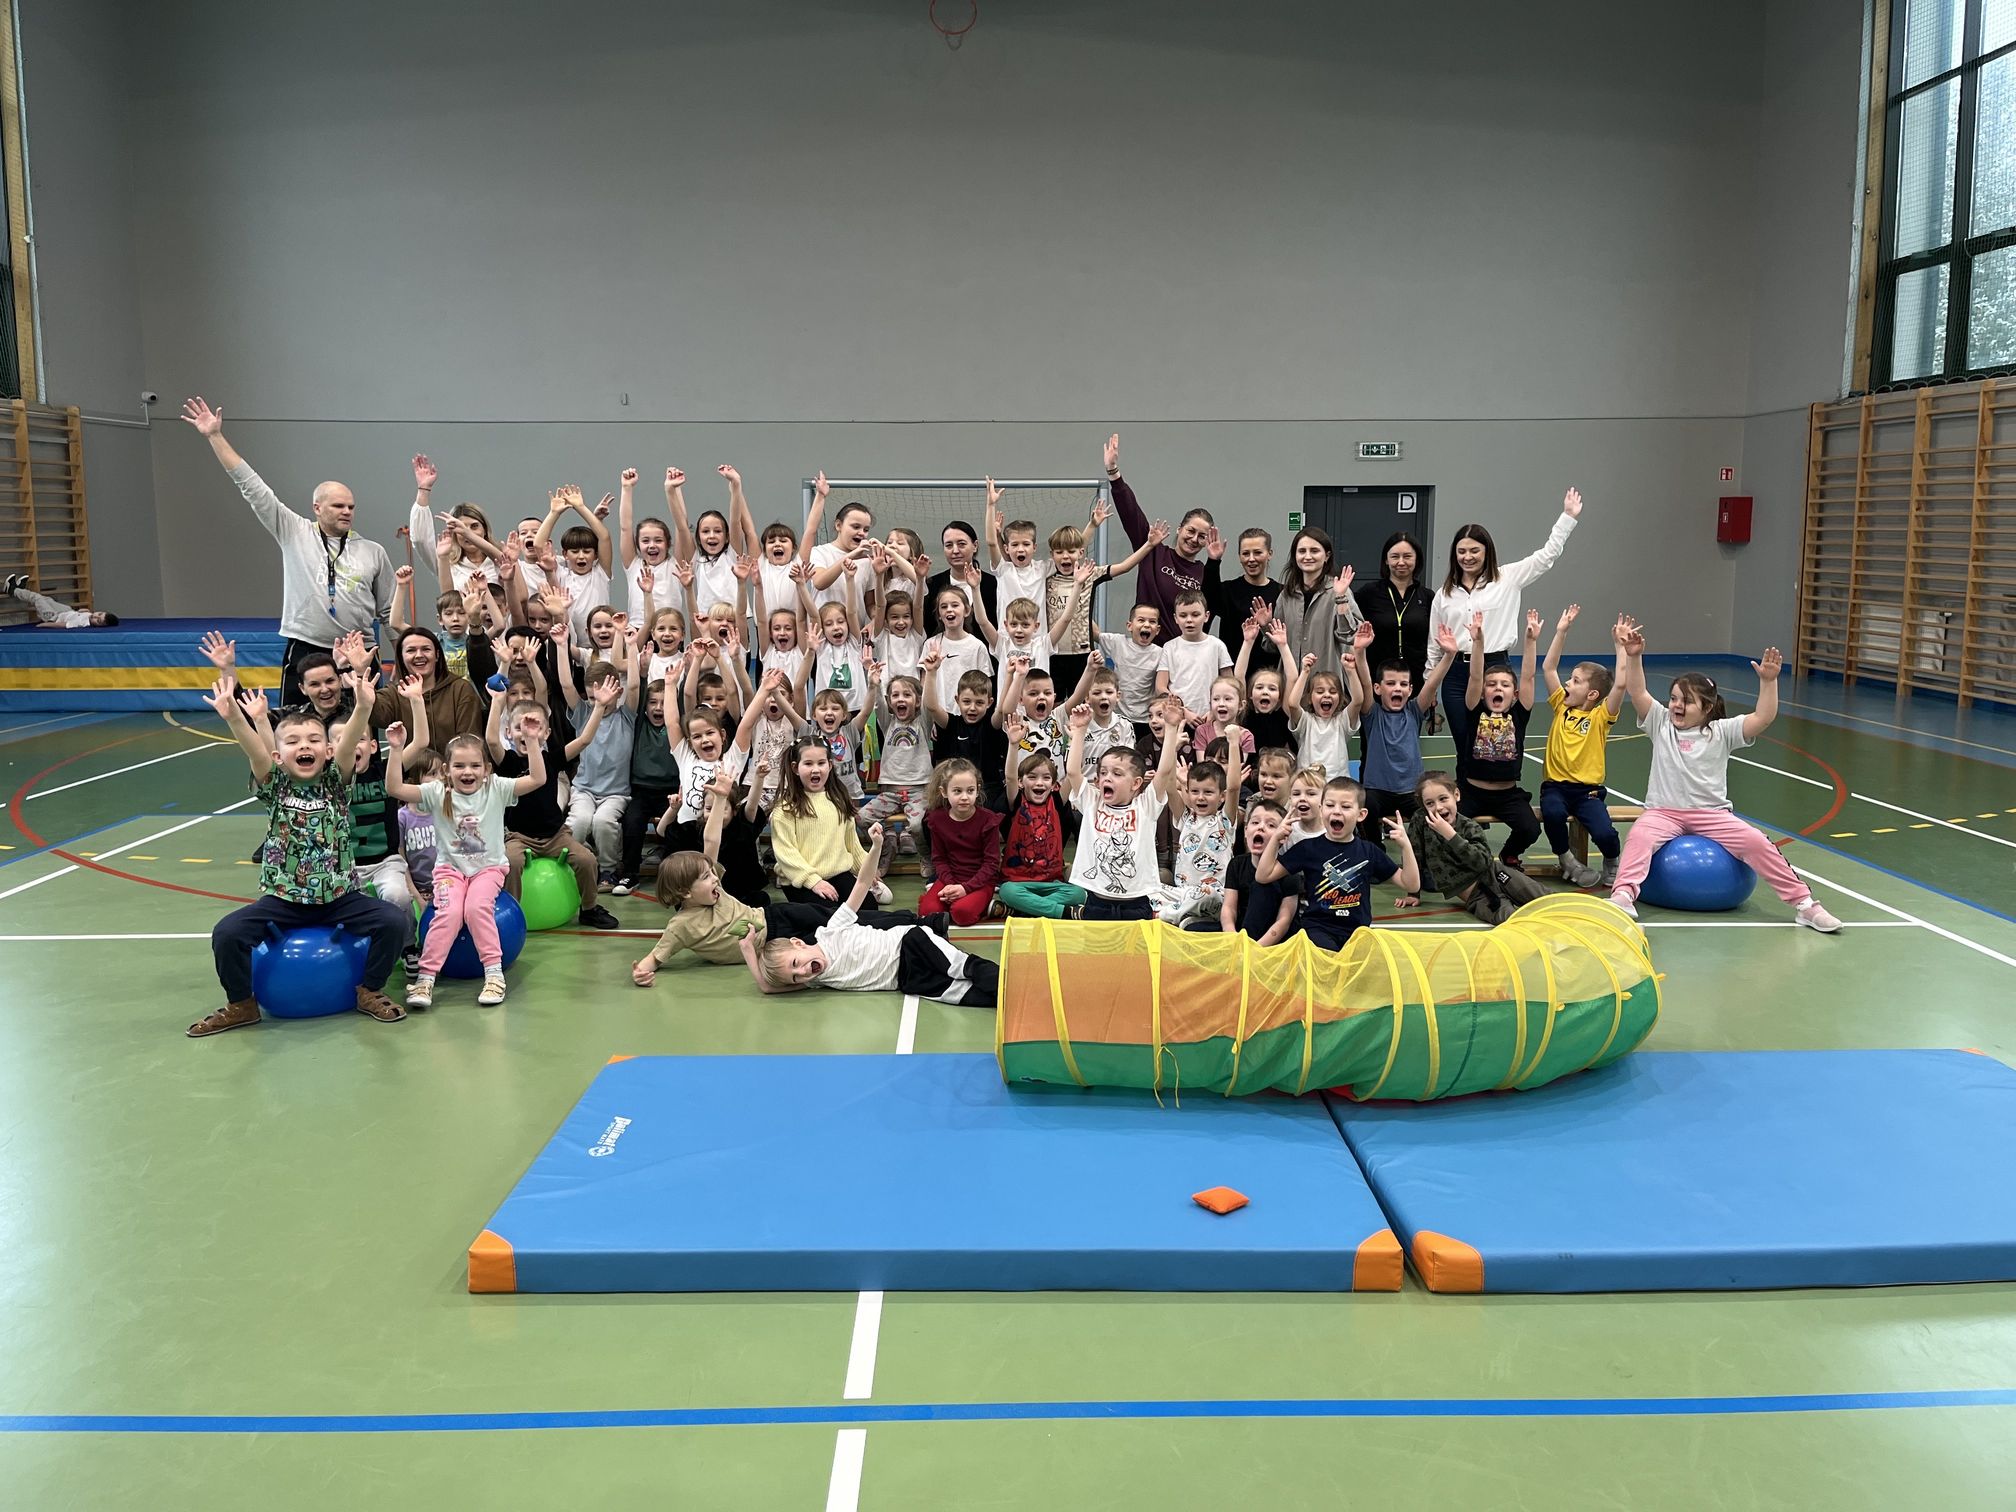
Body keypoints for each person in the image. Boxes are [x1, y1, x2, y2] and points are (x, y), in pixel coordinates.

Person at [190, 671, 412, 1037]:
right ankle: (242, 1004)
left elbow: (349, 744)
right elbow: (254, 750)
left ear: (328, 751)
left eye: (313, 739)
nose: (303, 746)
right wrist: (233, 718)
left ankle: (370, 990)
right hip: (284, 901)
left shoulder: (336, 784)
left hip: (340, 898)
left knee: (392, 921)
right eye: (292, 741)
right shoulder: (274, 786)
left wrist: (363, 707)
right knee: (227, 933)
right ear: (278, 756)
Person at [1609, 621, 1841, 932]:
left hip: (1713, 815)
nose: (1676, 705)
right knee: (1639, 836)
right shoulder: (1660, 722)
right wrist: (1634, 656)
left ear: (1707, 707)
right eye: (1674, 698)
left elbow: (1763, 717)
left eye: (1686, 701)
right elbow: (1637, 691)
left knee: (1757, 842)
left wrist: (1769, 682)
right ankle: (1623, 895)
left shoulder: (1722, 731)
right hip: (1663, 812)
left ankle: (1805, 904)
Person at [181, 396, 394, 706]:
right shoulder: (295, 532)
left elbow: (389, 613)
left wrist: (402, 659)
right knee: (295, 725)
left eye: (351, 506)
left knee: (361, 729)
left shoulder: (373, 552)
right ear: (317, 508)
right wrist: (215, 435)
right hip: (306, 648)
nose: (347, 511)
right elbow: (253, 488)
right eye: (338, 505)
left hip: (358, 653)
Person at [633, 772, 911, 982]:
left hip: (777, 917)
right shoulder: (680, 927)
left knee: (842, 917)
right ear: (685, 892)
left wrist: (719, 799)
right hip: (775, 946)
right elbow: (653, 958)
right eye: (706, 878)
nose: (715, 879)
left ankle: (911, 921)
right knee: (841, 936)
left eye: (711, 874)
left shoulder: (716, 895)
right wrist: (641, 973)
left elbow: (712, 842)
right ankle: (902, 935)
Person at [745, 828, 999, 1006]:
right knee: (964, 996)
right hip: (908, 979)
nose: (802, 973)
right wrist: (747, 949)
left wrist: (876, 847)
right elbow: (767, 987)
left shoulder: (831, 931)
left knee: (964, 968)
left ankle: (1010, 985)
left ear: (798, 943)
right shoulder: (818, 979)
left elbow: (862, 883)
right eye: (795, 978)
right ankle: (1008, 1002)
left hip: (910, 943)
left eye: (795, 963)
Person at [386, 728, 543, 1009]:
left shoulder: (496, 788)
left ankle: (494, 975)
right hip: (450, 872)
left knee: (476, 908)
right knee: (449, 913)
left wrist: (532, 742)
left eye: (474, 765)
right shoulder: (437, 791)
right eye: (459, 766)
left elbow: (537, 779)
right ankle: (425, 978)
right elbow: (394, 789)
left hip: (488, 870)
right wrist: (396, 750)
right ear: (446, 770)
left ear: (486, 769)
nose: (467, 771)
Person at [1424, 488, 1584, 732]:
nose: (1467, 557)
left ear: (1487, 551)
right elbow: (1434, 644)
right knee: (1462, 740)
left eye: (1474, 551)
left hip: (1495, 670)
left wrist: (1568, 517)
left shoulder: (1507, 578)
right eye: (1462, 551)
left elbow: (1546, 556)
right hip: (1455, 673)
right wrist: (1430, 684)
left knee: (1494, 740)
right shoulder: (1444, 594)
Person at [487, 691, 621, 929]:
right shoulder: (507, 762)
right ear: (508, 732)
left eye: (535, 727)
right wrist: (497, 702)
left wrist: (599, 707)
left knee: (587, 860)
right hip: (519, 837)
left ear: (546, 733)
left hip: (555, 836)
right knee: (511, 862)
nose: (527, 732)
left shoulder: (551, 759)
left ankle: (589, 909)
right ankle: (511, 915)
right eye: (519, 727)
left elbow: (584, 740)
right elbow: (491, 741)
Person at [1256, 775, 1420, 951]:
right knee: (1327, 957)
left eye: (1346, 806)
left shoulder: (1369, 851)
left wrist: (1406, 846)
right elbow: (1264, 875)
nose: (1336, 811)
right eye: (1330, 805)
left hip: (1358, 932)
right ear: (1321, 810)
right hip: (1318, 929)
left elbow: (1411, 884)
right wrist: (1275, 839)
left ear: (1361, 815)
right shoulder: (1308, 848)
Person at [1064, 699, 1182, 920]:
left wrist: (1172, 728)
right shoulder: (1092, 801)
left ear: (1136, 783)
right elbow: (1072, 772)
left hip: (1136, 903)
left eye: (1117, 774)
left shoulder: (1145, 805)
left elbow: (1164, 772)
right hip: (1096, 902)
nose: (1107, 777)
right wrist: (1079, 731)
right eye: (1103, 773)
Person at [1101, 432, 1218, 644]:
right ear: (1179, 529)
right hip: (1146, 649)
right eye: (1190, 531)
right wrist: (1114, 473)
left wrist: (1215, 561)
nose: (1194, 539)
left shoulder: (1203, 573)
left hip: (1181, 653)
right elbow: (1131, 515)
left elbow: (1209, 612)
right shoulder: (1154, 552)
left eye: (1202, 536)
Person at [1540, 604, 1627, 889]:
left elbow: (1620, 686)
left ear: (1592, 694)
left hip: (1587, 792)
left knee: (1604, 832)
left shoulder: (1601, 717)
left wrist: (1620, 646)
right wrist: (1561, 632)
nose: (1567, 682)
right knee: (1552, 814)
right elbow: (1548, 667)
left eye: (1575, 681)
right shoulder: (1560, 706)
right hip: (1555, 787)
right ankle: (1567, 860)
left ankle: (1612, 860)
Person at [1355, 623, 1462, 848]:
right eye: (1390, 683)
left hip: (1411, 791)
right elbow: (1364, 682)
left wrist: (1449, 655)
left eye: (1403, 684)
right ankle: (1375, 850)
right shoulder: (1372, 714)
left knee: (1428, 816)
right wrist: (1360, 651)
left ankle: (1420, 856)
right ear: (1378, 689)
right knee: (1364, 806)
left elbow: (1432, 683)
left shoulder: (1414, 711)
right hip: (1377, 791)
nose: (1398, 688)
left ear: (1410, 690)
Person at [1452, 610, 1543, 867]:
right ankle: (1461, 861)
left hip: (1507, 795)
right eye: (1492, 684)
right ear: (1483, 693)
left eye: (1504, 685)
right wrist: (1478, 642)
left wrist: (1531, 641)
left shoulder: (1519, 713)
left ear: (1515, 694)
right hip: (1471, 792)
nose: (1498, 688)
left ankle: (1508, 854)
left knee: (1530, 828)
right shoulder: (1475, 709)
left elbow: (1528, 677)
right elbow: (1475, 676)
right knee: (1447, 825)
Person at [1407, 770, 1547, 925]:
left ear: (1456, 795)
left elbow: (1482, 863)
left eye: (1443, 798)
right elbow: (1414, 857)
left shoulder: (1470, 826)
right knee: (1511, 920)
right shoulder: (1421, 822)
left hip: (1498, 874)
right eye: (1430, 803)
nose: (1438, 807)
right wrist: (1413, 893)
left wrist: (1451, 835)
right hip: (1477, 895)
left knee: (1547, 899)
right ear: (1423, 807)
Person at [771, 737, 879, 905]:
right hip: (801, 880)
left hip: (837, 874)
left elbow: (852, 844)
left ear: (829, 765)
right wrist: (814, 881)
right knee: (828, 915)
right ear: (795, 768)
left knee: (869, 906)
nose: (816, 769)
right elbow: (786, 854)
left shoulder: (839, 800)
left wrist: (866, 870)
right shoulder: (785, 809)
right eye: (808, 764)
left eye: (821, 763)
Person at [995, 737, 1084, 919]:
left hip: (1051, 883)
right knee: (1007, 892)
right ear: (1021, 782)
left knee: (1079, 893)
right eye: (1032, 777)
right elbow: (1010, 777)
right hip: (1017, 882)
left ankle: (1022, 909)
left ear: (1054, 785)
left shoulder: (1057, 803)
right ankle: (1062, 912)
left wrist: (1076, 738)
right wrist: (1013, 744)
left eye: (1046, 778)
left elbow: (1072, 772)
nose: (1039, 783)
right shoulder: (1016, 802)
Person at [1158, 741, 1242, 927]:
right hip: (1183, 893)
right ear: (1187, 792)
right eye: (1195, 791)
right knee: (1150, 889)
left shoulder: (1225, 821)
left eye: (1208, 792)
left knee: (1208, 896)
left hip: (1214, 895)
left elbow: (1234, 787)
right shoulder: (1185, 818)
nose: (1200, 797)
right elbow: (1170, 786)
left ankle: (1167, 915)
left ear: (1222, 796)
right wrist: (1173, 747)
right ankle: (1188, 917)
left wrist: (1234, 742)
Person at [1272, 526, 1362, 682]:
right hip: (1292, 685)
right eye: (1302, 551)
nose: (1307, 556)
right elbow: (1272, 646)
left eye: (1314, 551)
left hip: (1327, 685)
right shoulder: (1286, 595)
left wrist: (1341, 599)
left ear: (1326, 556)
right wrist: (1265, 625)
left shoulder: (1339, 590)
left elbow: (1351, 637)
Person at [367, 626, 484, 745]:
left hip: (452, 757)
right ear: (401, 658)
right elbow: (375, 715)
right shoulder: (394, 693)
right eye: (411, 650)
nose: (419, 655)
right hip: (408, 758)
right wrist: (361, 675)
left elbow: (469, 741)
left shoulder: (461, 690)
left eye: (426, 649)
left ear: (437, 655)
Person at [531, 485, 615, 643]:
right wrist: (554, 513)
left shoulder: (600, 573)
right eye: (575, 551)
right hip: (567, 643)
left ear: (596, 554)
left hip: (599, 644)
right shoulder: (560, 573)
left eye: (587, 551)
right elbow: (538, 545)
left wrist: (580, 507)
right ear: (565, 554)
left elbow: (604, 537)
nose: (581, 556)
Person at [1352, 531, 1433, 693]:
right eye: (1395, 557)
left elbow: (1433, 644)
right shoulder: (1369, 593)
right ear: (1386, 560)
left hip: (1416, 679)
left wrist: (1431, 685)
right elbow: (1350, 629)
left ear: (1417, 559)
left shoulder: (1427, 597)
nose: (1401, 562)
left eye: (1407, 556)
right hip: (1376, 678)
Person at [1217, 799, 1301, 944]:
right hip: (1241, 934)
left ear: (1283, 837)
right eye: (1255, 822)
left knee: (1261, 886)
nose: (1261, 827)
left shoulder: (1288, 871)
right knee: (1196, 928)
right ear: (1245, 831)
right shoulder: (1237, 864)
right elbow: (1229, 908)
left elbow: (1284, 921)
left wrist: (1256, 949)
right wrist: (1231, 936)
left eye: (1271, 825)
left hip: (1274, 940)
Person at [1210, 529, 1281, 672]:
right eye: (1246, 553)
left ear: (1269, 554)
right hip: (1233, 675)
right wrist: (1213, 561)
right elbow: (1207, 599)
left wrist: (1267, 627)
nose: (1251, 559)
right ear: (1239, 556)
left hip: (1269, 677)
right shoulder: (1227, 590)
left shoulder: (1282, 593)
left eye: (1258, 552)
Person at [1153, 590, 1232, 718]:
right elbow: (1160, 687)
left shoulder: (1217, 646)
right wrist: (1182, 711)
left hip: (1212, 716)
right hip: (1178, 717)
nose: (1189, 620)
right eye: (1183, 615)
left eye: (1195, 615)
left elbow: (1230, 684)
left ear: (1206, 616)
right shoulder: (1169, 647)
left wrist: (1214, 711)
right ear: (1176, 618)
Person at [925, 518, 997, 636]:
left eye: (961, 544)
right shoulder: (932, 585)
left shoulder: (993, 584)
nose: (955, 550)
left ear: (975, 546)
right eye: (949, 545)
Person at [3, 577, 117, 627]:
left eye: (98, 621)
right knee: (47, 599)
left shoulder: (82, 623)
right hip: (66, 611)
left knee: (37, 598)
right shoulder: (89, 616)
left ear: (98, 626)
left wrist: (45, 625)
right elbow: (80, 614)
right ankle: (21, 590)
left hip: (53, 617)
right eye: (99, 614)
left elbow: (63, 625)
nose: (95, 617)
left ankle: (13, 590)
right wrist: (83, 611)